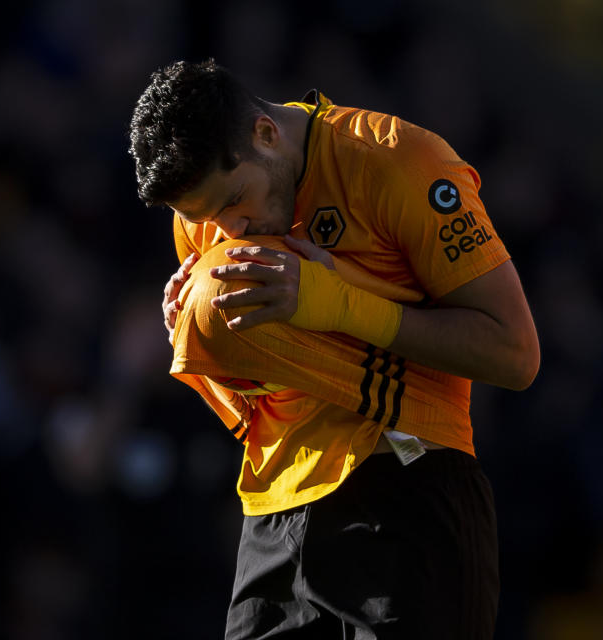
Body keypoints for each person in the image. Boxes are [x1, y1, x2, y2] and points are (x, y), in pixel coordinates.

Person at [128, 59, 539, 639]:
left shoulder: (399, 161)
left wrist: (344, 301)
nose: (229, 233)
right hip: (274, 510)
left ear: (265, 134)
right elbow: (277, 379)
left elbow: (515, 353)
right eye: (205, 219)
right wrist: (200, 336)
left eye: (235, 201)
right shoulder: (208, 219)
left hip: (407, 482)